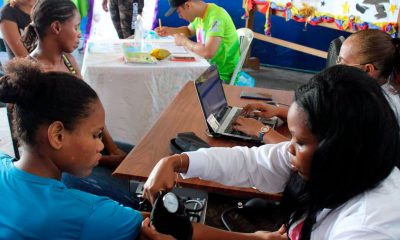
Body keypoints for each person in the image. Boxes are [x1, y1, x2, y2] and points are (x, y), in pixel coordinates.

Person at [141, 65, 400, 239]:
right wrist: (176, 162)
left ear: (341, 148)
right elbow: (250, 162)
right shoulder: (347, 172)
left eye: (300, 142)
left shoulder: (368, 228)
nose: (288, 147)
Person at [0, 58, 143, 239]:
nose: (101, 145)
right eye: (95, 135)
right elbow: (157, 227)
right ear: (58, 135)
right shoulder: (91, 214)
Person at [21, 0, 138, 208]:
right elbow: (46, 149)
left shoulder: (68, 61)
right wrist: (103, 160)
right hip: (58, 166)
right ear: (57, 27)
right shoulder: (34, 74)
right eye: (75, 27)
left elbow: (90, 112)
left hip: (84, 146)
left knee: (136, 156)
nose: (79, 34)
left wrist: (111, 148)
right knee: (130, 197)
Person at [234, 29, 400, 142]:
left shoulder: (371, 111)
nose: (336, 65)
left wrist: (261, 132)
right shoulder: (367, 93)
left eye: (342, 61)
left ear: (368, 70)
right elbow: (325, 124)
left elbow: (309, 158)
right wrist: (279, 111)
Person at [155, 0, 239, 83]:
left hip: (220, 76)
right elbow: (189, 30)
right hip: (207, 69)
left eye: (179, 12)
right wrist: (170, 31)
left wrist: (184, 41)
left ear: (188, 6)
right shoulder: (202, 13)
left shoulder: (216, 17)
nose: (180, 16)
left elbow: (207, 52)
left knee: (171, 80)